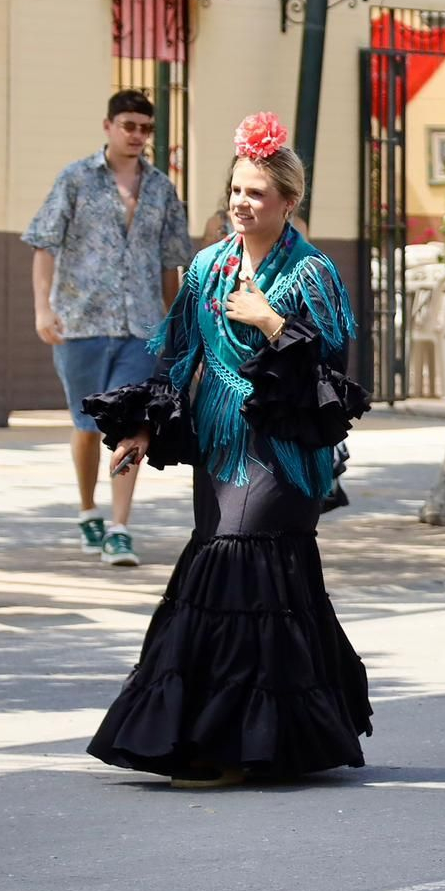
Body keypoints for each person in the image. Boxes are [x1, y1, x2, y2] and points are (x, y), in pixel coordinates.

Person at [84, 112, 371, 786]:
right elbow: (179, 358)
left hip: (286, 449)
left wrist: (271, 321)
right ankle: (273, 740)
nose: (242, 203)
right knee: (248, 578)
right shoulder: (208, 266)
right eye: (236, 191)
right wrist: (143, 428)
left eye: (258, 194)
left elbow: (332, 376)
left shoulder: (313, 274)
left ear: (288, 202)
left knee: (237, 559)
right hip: (221, 441)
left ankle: (226, 746)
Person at [24, 90, 191, 566]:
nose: (137, 135)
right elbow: (43, 244)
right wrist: (42, 309)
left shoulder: (161, 188)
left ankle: (120, 527)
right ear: (108, 126)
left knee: (133, 424)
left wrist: (171, 325)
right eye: (129, 126)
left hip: (140, 324)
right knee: (84, 424)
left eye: (145, 128)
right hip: (80, 321)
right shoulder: (76, 179)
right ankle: (87, 510)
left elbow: (170, 263)